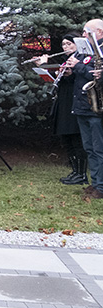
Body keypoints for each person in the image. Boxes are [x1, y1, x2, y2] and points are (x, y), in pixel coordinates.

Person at [33, 33, 88, 185]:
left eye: (69, 44)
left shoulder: (82, 59)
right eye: (64, 44)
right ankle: (75, 171)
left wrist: (65, 70)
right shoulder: (66, 60)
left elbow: (75, 79)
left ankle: (82, 174)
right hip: (63, 102)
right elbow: (59, 80)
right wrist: (43, 67)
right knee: (66, 138)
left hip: (75, 102)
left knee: (76, 139)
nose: (66, 47)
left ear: (77, 44)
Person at [67, 19, 103, 199]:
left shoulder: (101, 51)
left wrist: (78, 66)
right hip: (82, 105)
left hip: (97, 109)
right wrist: (69, 70)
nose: (83, 36)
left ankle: (101, 187)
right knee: (89, 148)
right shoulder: (84, 51)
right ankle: (95, 182)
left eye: (86, 32)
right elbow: (81, 72)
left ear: (100, 32)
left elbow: (95, 74)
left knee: (99, 148)